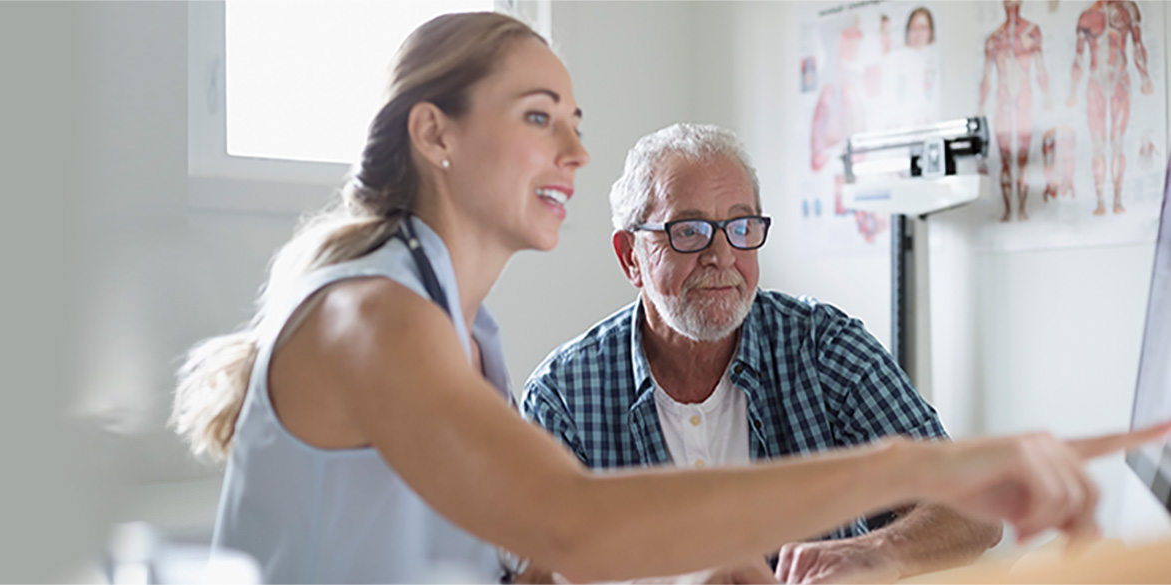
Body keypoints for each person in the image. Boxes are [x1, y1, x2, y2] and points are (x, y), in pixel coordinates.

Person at [170, 11, 1171, 585]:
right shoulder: (376, 317)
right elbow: (570, 524)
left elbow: (511, 562)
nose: (573, 149)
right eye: (537, 117)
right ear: (436, 135)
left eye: (573, 119)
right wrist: (911, 464)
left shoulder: (452, 326)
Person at [520, 124, 1001, 584]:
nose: (722, 256)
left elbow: (976, 508)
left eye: (741, 226)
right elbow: (536, 572)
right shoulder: (563, 395)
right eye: (689, 231)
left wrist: (876, 554)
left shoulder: (824, 348)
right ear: (631, 257)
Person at [1068, 0, 1152, 216]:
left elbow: (1138, 44)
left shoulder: (1128, 9)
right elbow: (1079, 56)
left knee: (1117, 142)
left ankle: (1117, 198)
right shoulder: (1087, 16)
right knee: (1098, 144)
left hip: (1120, 83)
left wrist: (1145, 78)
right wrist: (1072, 90)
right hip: (1096, 83)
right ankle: (1100, 201)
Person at [982, 0, 1052, 223]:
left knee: (1023, 160)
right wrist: (978, 108)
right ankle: (1007, 210)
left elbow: (1040, 68)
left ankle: (1021, 209)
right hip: (1002, 102)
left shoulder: (1031, 32)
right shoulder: (994, 39)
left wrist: (1049, 98)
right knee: (1004, 160)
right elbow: (986, 78)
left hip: (1023, 100)